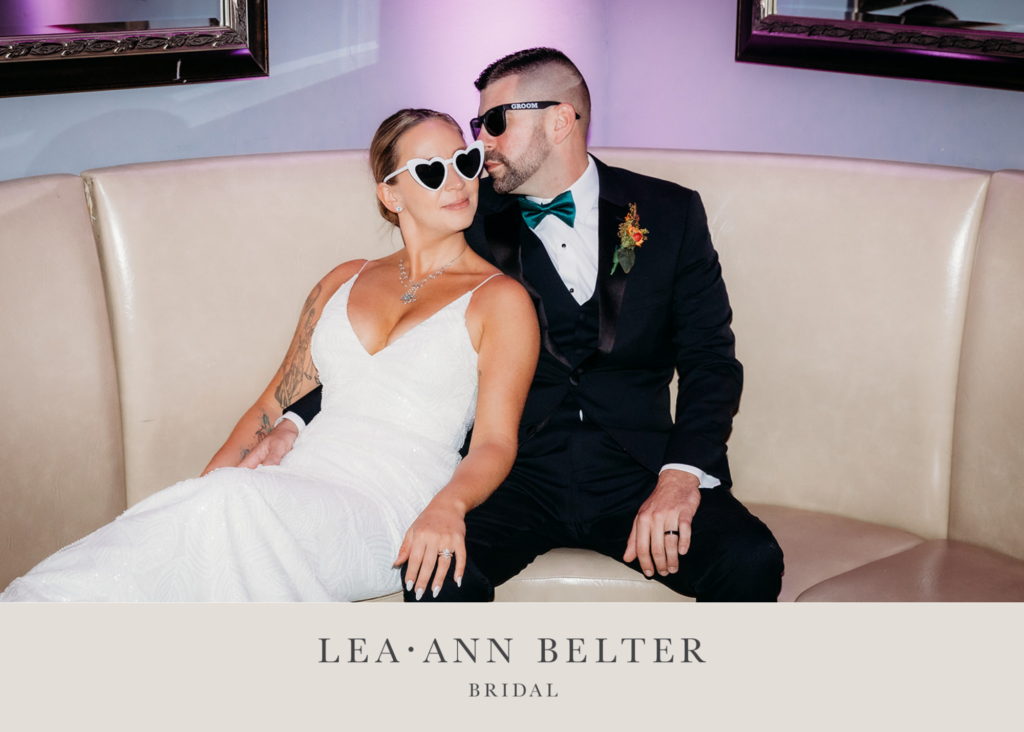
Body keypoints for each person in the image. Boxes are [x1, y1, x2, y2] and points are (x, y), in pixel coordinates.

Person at [273, 48, 785, 602]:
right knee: (435, 575)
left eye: (494, 123)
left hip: (638, 470)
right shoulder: (465, 212)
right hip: (513, 472)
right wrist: (294, 421)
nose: (480, 144)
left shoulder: (669, 212)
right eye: (478, 125)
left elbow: (711, 359)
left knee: (751, 561)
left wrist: (682, 476)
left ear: (560, 120)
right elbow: (392, 337)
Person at [0, 109, 539, 602]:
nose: (458, 181)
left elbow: (494, 443)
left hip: (391, 505)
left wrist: (450, 507)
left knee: (231, 506)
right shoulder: (341, 280)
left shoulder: (500, 300)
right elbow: (272, 402)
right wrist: (205, 488)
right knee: (211, 505)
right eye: (430, 170)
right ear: (391, 195)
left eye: (465, 162)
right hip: (294, 483)